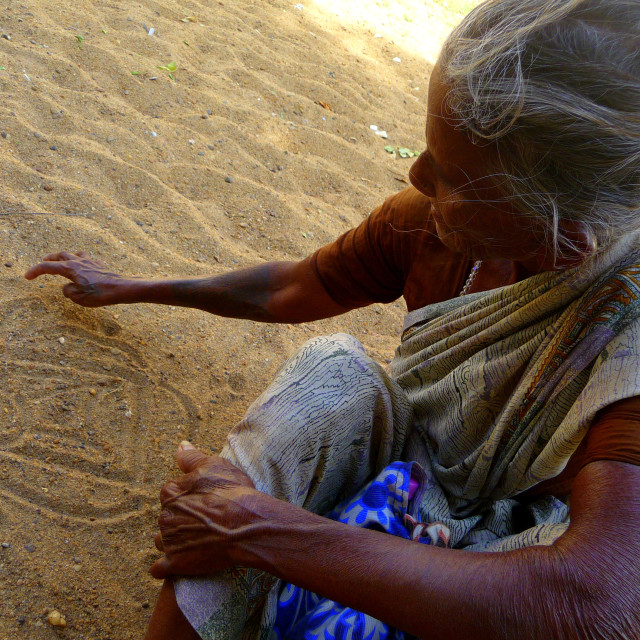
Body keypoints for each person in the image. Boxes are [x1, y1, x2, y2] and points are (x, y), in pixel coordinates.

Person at [25, 0, 640, 638]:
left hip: (510, 542)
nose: (416, 175)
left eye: (455, 176)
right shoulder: (428, 228)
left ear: (567, 240)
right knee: (334, 374)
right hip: (405, 458)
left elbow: (594, 602)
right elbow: (297, 286)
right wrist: (133, 288)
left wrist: (254, 528)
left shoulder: (625, 336)